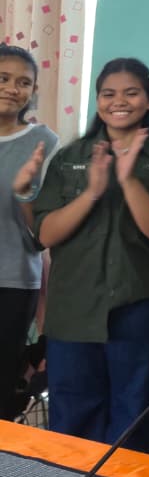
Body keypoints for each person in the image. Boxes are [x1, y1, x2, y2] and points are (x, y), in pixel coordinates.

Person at [30, 59, 149, 452]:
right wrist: (91, 192)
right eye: (108, 94)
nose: (119, 102)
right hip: (73, 310)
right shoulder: (71, 156)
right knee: (71, 420)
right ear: (98, 101)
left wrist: (128, 179)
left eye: (131, 93)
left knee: (130, 421)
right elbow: (46, 234)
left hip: (137, 309)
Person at [0, 45, 58, 420]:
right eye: (3, 78)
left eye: (23, 82)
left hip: (13, 284)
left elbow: (45, 232)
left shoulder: (44, 144)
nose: (12, 88)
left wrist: (26, 194)